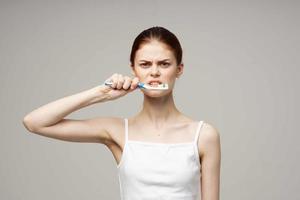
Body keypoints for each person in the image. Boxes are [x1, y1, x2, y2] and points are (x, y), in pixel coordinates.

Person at [23, 26, 221, 200]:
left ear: (179, 69)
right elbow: (34, 122)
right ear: (133, 70)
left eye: (164, 64)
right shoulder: (117, 131)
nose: (154, 72)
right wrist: (101, 93)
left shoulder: (204, 135)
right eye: (145, 64)